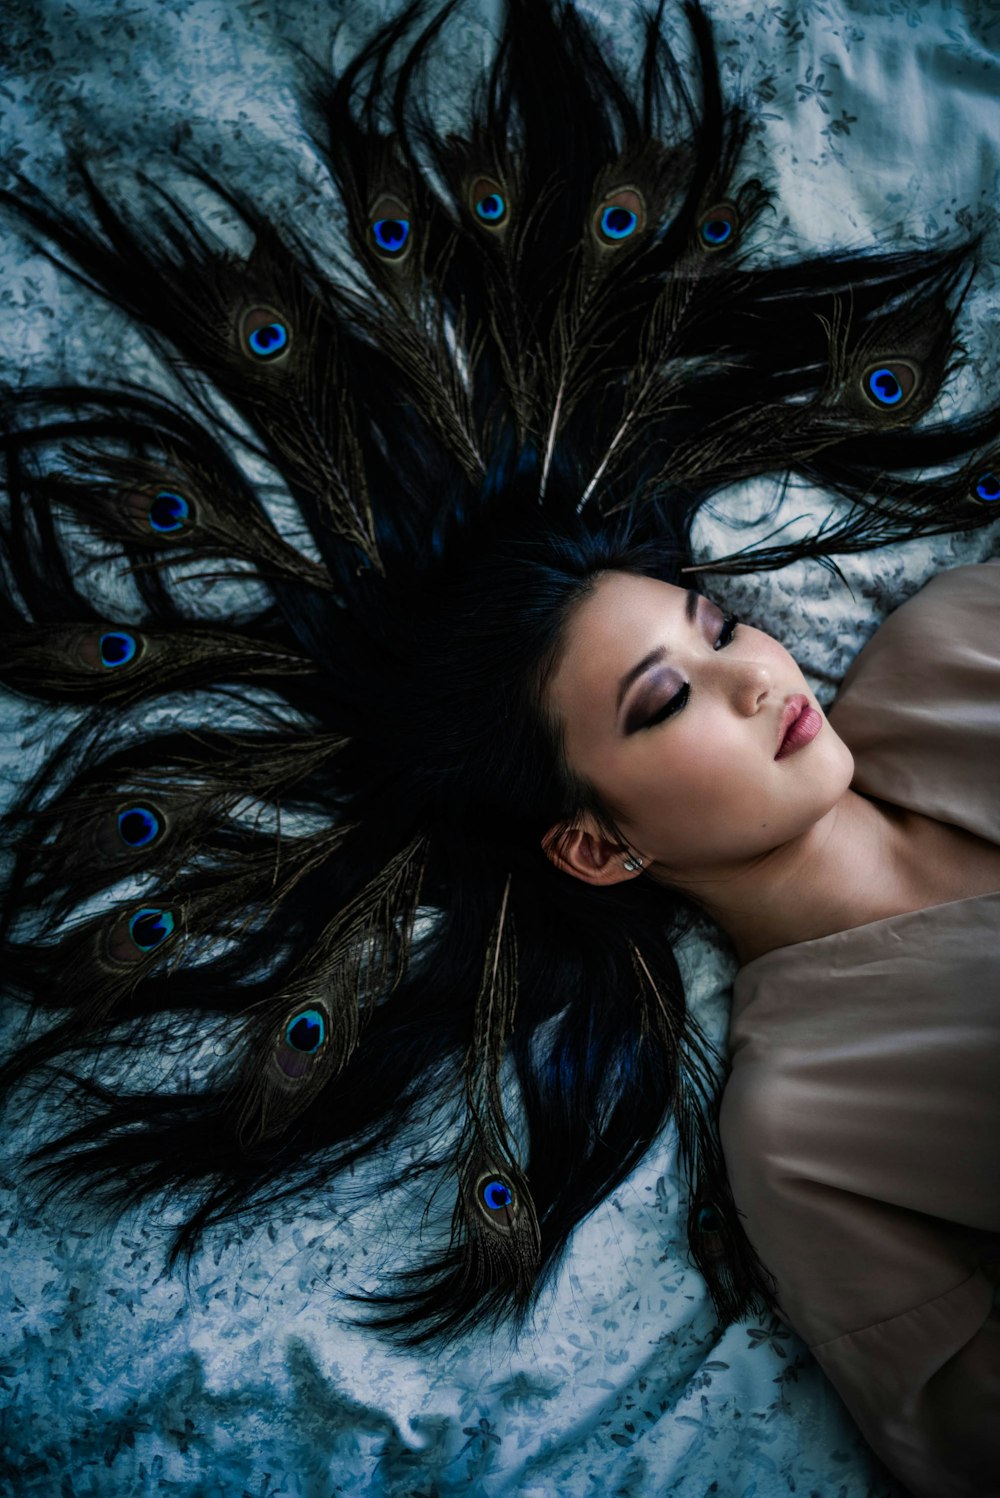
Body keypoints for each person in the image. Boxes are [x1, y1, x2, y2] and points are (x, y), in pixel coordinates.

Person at [0, 0, 998, 1492]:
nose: (749, 679)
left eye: (716, 629)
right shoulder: (805, 1134)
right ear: (599, 845)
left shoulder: (949, 656)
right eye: (661, 703)